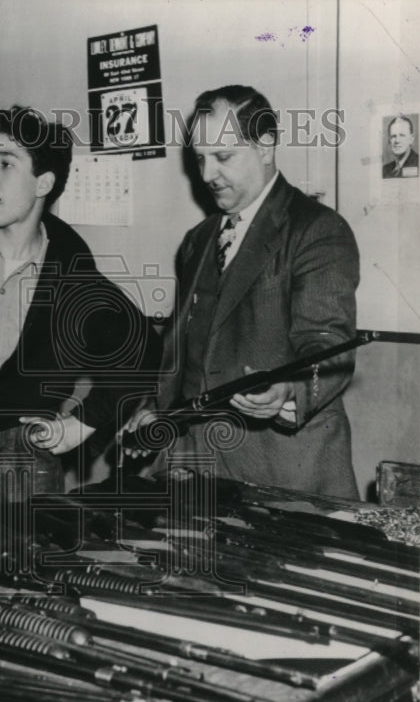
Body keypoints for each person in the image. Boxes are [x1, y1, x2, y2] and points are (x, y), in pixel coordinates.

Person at [0, 106, 156, 517]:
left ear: (44, 182)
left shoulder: (71, 265)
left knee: (25, 559)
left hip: (25, 452)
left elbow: (141, 346)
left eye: (6, 163)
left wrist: (83, 424)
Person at [124, 84, 361, 499]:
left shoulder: (318, 230)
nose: (206, 175)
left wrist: (289, 390)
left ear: (265, 147)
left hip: (285, 472)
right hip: (194, 466)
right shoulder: (197, 240)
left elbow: (329, 344)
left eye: (223, 157)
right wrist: (153, 409)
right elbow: (181, 349)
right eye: (200, 158)